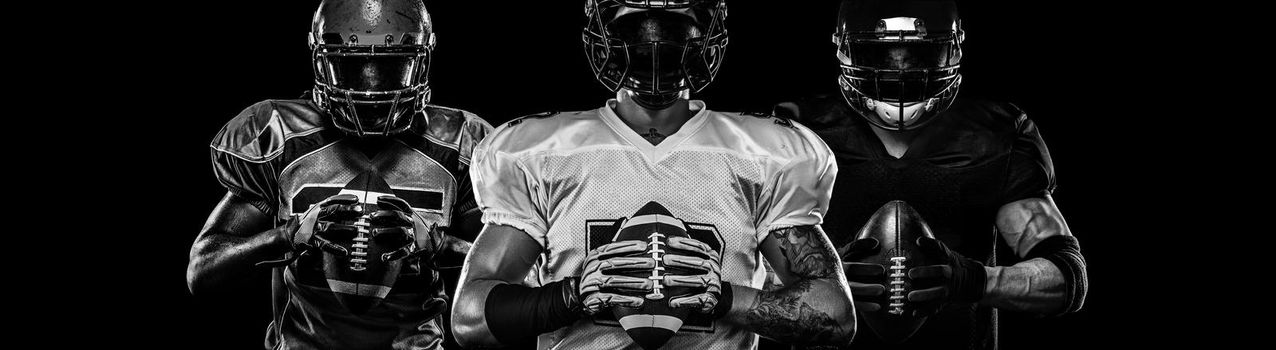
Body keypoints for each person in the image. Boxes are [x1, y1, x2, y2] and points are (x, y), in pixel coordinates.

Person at [450, 1, 856, 349]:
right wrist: (570, 296)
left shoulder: (764, 154)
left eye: (673, 29)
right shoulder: (538, 153)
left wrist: (725, 299)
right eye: (638, 30)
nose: (655, 46)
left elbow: (835, 315)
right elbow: (469, 320)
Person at [773, 0, 1089, 349]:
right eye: (884, 55)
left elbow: (1066, 278)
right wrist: (820, 279)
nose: (902, 70)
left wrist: (973, 281)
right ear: (845, 50)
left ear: (951, 49)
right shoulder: (798, 132)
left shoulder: (992, 134)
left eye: (918, 54)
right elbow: (739, 268)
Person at [185, 1, 491, 349]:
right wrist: (286, 237)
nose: (371, 88)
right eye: (353, 66)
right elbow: (203, 270)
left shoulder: (461, 146)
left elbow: (522, 276)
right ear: (321, 61)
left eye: (390, 67)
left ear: (421, 60)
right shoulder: (281, 137)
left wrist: (440, 245)